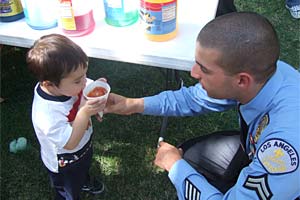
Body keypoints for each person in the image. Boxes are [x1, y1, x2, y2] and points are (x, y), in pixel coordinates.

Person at [105, 12, 300, 199]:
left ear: (242, 80)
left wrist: (175, 167)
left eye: (204, 69)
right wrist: (131, 104)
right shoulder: (265, 74)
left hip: (284, 176)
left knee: (182, 164)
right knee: (189, 155)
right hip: (253, 146)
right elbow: (194, 99)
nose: (193, 72)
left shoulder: (283, 150)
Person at [27, 34, 105, 200]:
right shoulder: (47, 114)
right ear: (49, 84)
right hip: (65, 162)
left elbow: (84, 85)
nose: (84, 82)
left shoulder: (66, 86)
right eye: (78, 81)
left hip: (83, 147)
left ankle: (83, 180)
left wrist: (97, 87)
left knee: (83, 167)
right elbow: (70, 143)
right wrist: (84, 112)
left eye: (85, 74)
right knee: (68, 191)